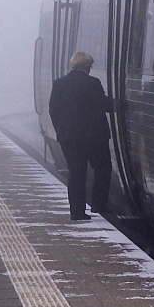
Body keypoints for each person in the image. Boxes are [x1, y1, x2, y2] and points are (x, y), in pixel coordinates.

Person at [48, 51, 112, 221]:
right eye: (90, 66)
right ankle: (99, 205)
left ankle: (77, 212)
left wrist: (61, 130)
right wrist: (123, 103)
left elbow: (53, 110)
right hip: (94, 138)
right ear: (86, 67)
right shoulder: (92, 83)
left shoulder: (59, 83)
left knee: (76, 174)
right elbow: (104, 104)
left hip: (69, 138)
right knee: (103, 169)